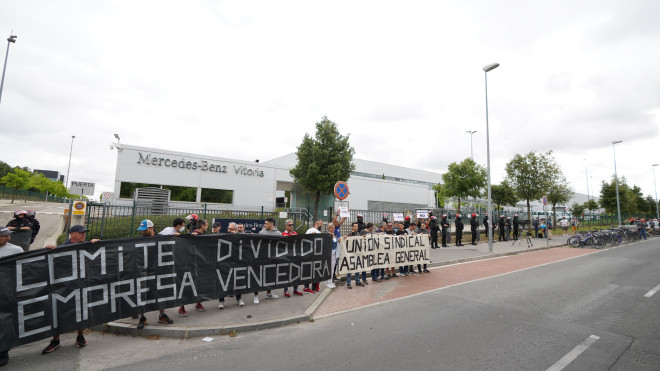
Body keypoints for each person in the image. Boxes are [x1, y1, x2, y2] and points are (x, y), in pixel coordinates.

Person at [41, 225, 100, 354]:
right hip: (63, 287)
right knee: (59, 313)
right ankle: (55, 340)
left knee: (80, 311)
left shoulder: (87, 246)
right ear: (72, 234)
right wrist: (48, 249)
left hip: (81, 285)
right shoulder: (61, 248)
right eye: (81, 233)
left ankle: (80, 336)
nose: (84, 235)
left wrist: (95, 244)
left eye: (85, 233)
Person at [135, 220, 174, 329]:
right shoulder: (139, 240)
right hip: (144, 271)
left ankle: (162, 315)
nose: (142, 232)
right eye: (141, 230)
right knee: (143, 293)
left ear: (151, 228)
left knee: (160, 292)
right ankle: (142, 317)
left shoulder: (161, 237)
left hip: (158, 270)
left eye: (145, 230)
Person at [0, 227, 25, 366]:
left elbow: (26, 268)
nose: (8, 238)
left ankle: (3, 353)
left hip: (7, 293)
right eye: (4, 236)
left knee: (5, 323)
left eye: (9, 235)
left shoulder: (16, 250)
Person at [179, 219, 209, 316]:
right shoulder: (192, 235)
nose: (207, 227)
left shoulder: (203, 235)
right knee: (188, 286)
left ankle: (198, 303)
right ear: (202, 226)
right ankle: (181, 308)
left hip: (200, 264)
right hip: (190, 264)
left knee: (199, 284)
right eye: (206, 225)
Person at [254, 218, 282, 302]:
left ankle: (268, 293)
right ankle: (255, 296)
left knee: (270, 277)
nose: (264, 225)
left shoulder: (278, 233)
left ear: (271, 223)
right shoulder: (261, 233)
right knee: (258, 277)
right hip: (262, 258)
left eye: (266, 223)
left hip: (272, 259)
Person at [219, 222, 245, 309]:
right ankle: (221, 301)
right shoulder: (224, 236)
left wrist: (235, 237)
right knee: (224, 282)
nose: (229, 230)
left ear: (236, 230)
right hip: (225, 263)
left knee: (237, 282)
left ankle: (239, 298)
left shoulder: (240, 237)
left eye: (231, 229)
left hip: (236, 263)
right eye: (228, 229)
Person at [281, 219, 303, 296]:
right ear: (286, 226)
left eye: (292, 225)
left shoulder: (295, 233)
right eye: (289, 225)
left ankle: (296, 289)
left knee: (296, 272)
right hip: (287, 256)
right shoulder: (283, 233)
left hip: (295, 256)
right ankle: (286, 290)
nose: (291, 226)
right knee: (286, 274)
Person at [305, 219, 325, 292]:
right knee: (309, 271)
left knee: (316, 271)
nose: (322, 225)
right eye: (321, 223)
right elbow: (305, 240)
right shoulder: (310, 230)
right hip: (311, 254)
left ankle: (314, 287)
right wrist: (311, 236)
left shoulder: (319, 232)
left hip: (317, 255)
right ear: (317, 223)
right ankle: (306, 286)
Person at [345, 221, 367, 288]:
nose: (356, 227)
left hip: (357, 254)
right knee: (350, 268)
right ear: (352, 227)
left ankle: (357, 281)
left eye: (357, 226)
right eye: (355, 226)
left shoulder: (358, 234)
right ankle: (348, 283)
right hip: (351, 254)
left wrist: (362, 237)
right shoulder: (349, 234)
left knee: (357, 267)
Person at [324, 223, 338, 288]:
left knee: (332, 267)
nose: (333, 229)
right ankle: (327, 282)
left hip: (334, 252)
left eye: (334, 228)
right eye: (332, 228)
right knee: (329, 268)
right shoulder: (327, 235)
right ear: (328, 228)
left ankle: (330, 281)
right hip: (329, 253)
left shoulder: (334, 234)